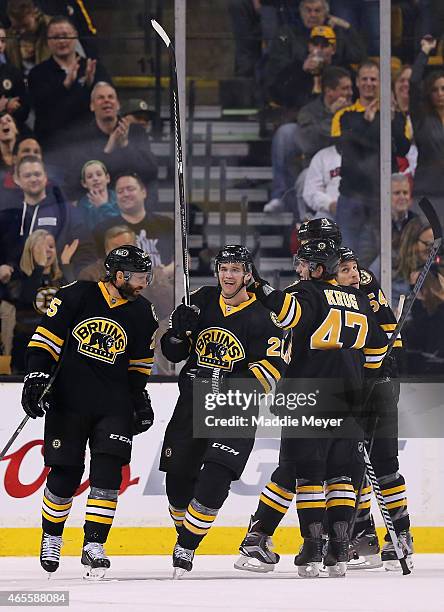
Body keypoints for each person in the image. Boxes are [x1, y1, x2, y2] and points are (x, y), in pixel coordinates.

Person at [236, 238, 388, 578]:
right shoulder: (360, 299)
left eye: (304, 264)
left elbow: (287, 311)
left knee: (305, 474)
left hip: (309, 396)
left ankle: (313, 549)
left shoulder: (310, 292)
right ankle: (339, 551)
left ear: (318, 268)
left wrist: (257, 284)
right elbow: (378, 351)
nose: (299, 269)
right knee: (341, 477)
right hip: (349, 396)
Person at [21, 245, 158, 577]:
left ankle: (94, 544)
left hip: (114, 406)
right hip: (68, 401)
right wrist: (37, 376)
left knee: (108, 474)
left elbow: (139, 364)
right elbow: (44, 341)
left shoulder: (142, 312)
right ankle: (52, 536)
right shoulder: (77, 295)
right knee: (65, 474)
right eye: (139, 277)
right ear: (120, 275)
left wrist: (139, 397)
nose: (143, 283)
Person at [159, 245, 286, 576]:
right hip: (191, 404)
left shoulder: (265, 315)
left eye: (235, 270)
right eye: (223, 269)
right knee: (177, 484)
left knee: (215, 477)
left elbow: (271, 372)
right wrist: (175, 333)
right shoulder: (201, 300)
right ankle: (184, 534)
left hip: (235, 408)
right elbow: (174, 354)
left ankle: (186, 546)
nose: (228, 275)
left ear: (248, 274)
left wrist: (219, 377)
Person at [332, 60, 411, 266]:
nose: (369, 83)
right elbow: (349, 145)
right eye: (365, 79)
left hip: (381, 197)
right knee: (346, 258)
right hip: (352, 196)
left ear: (381, 83)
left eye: (374, 79)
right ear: (357, 82)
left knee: (384, 257)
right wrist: (371, 120)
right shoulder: (345, 115)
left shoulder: (393, 115)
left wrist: (391, 120)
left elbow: (403, 148)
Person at [264, 65, 352, 213]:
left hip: (346, 165)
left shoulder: (354, 110)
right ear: (329, 92)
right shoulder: (308, 112)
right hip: (315, 167)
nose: (350, 93)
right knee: (304, 180)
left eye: (350, 88)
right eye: (345, 89)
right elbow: (310, 143)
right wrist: (332, 115)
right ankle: (300, 223)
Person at [0, 155, 96, 274]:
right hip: (19, 286)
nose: (33, 179)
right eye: (27, 175)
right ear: (17, 180)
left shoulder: (65, 211)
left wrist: (76, 277)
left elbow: (86, 248)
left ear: (45, 177)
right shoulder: (9, 215)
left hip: (57, 282)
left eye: (37, 174)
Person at [64, 82, 158, 202]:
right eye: (101, 98)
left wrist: (125, 146)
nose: (106, 100)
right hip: (97, 202)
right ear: (92, 106)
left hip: (130, 198)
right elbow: (76, 178)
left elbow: (151, 170)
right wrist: (108, 149)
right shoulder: (81, 136)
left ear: (118, 105)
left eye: (110, 97)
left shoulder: (136, 131)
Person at [265, 0, 365, 110]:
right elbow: (276, 76)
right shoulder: (287, 33)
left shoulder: (336, 33)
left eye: (317, 11)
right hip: (299, 101)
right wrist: (301, 68)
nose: (312, 15)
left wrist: (347, 27)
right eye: (308, 10)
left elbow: (358, 56)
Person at [28, 15, 110, 144]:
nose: (61, 41)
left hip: (89, 143)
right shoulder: (38, 74)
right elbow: (42, 109)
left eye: (66, 35)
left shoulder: (94, 67)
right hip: (53, 145)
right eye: (55, 37)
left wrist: (89, 85)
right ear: (47, 40)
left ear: (75, 36)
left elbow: (106, 103)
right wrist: (65, 85)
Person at [9, 228, 75, 372]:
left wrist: (67, 266)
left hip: (57, 349)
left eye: (51, 246)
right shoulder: (18, 277)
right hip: (26, 349)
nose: (47, 251)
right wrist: (39, 267)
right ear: (30, 250)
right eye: (41, 247)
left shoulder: (60, 279)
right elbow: (25, 299)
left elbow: (75, 303)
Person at [94, 173, 173, 268]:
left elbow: (184, 259)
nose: (125, 194)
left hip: (163, 282)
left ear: (144, 192)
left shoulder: (167, 224)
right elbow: (98, 267)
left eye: (130, 189)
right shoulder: (102, 229)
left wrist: (165, 273)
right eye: (120, 191)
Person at [409, 36, 444, 223]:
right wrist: (424, 53)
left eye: (443, 89)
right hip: (427, 193)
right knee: (428, 245)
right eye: (435, 90)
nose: (440, 94)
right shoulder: (422, 118)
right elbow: (413, 85)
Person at [5, 0, 52, 73]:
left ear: (35, 14)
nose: (22, 31)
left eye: (25, 25)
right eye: (16, 27)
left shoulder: (55, 29)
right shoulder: (8, 37)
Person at [301, 142, 341, 219]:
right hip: (329, 212)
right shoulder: (322, 156)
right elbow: (311, 191)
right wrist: (329, 204)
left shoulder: (366, 156)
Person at [0, 24, 29, 128]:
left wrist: (13, 107)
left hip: (12, 128)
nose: (0, 45)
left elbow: (25, 111)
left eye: (3, 41)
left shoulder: (13, 72)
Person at [77, 160, 119, 231]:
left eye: (99, 174)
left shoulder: (120, 198)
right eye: (90, 177)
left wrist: (103, 206)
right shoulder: (82, 205)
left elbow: (121, 225)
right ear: (84, 183)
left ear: (107, 178)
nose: (95, 179)